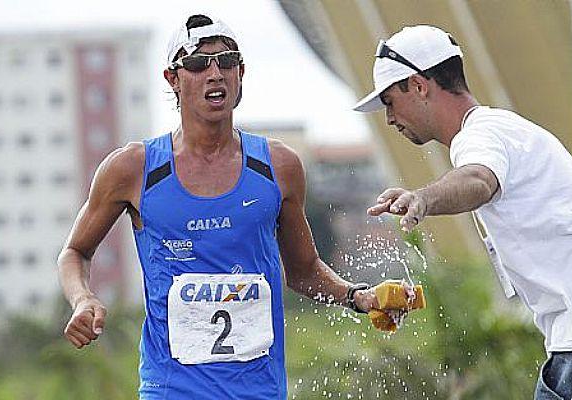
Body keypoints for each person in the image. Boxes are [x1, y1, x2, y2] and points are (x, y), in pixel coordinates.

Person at [58, 13, 392, 399]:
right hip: (172, 389)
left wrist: (358, 297)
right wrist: (83, 299)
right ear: (173, 79)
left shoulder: (278, 166)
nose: (215, 73)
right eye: (199, 64)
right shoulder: (134, 168)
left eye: (227, 61)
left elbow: (303, 272)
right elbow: (75, 252)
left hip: (259, 390)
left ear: (241, 72)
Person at [354, 24, 572, 399]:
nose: (388, 119)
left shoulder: (480, 136)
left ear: (418, 85)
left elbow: (479, 180)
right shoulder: (504, 128)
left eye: (389, 102)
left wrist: (423, 199)